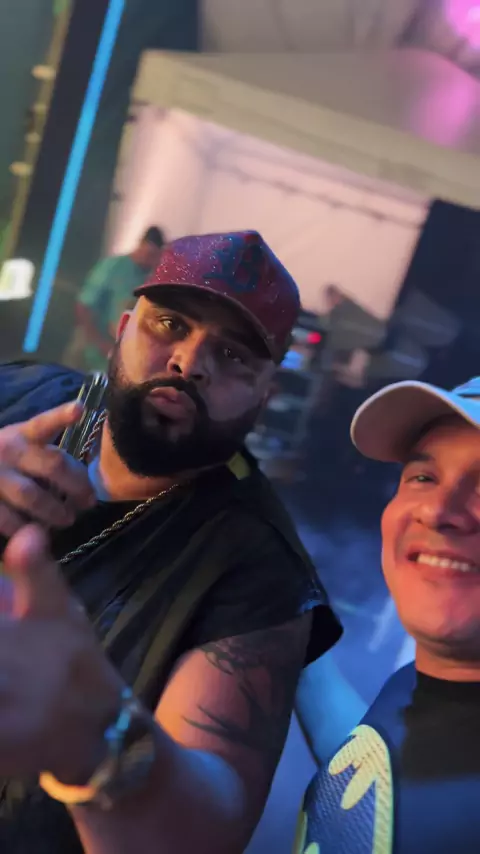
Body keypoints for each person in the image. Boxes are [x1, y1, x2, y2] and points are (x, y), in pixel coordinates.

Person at [0, 230, 343, 854]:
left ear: (265, 396)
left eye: (233, 355)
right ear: (123, 328)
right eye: (169, 324)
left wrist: (93, 732)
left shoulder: (256, 569)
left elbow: (203, 830)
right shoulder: (18, 396)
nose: (189, 362)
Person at [296, 375, 480, 854]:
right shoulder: (427, 685)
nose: (437, 510)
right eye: (424, 477)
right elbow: (382, 782)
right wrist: (295, 637)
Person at [64, 226, 165, 372]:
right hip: (89, 349)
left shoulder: (149, 277)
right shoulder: (113, 267)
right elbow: (84, 306)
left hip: (114, 357)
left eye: (155, 256)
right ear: (141, 245)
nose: (150, 260)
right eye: (149, 254)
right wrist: (99, 343)